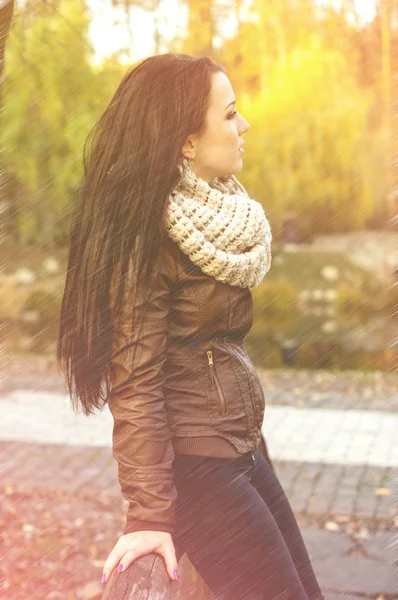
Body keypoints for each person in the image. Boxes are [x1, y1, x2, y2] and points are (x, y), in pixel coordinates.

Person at [57, 53, 324, 600]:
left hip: (238, 450)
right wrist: (150, 515)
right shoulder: (147, 234)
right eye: (229, 115)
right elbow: (134, 381)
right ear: (186, 141)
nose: (243, 125)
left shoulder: (221, 209)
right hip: (201, 473)